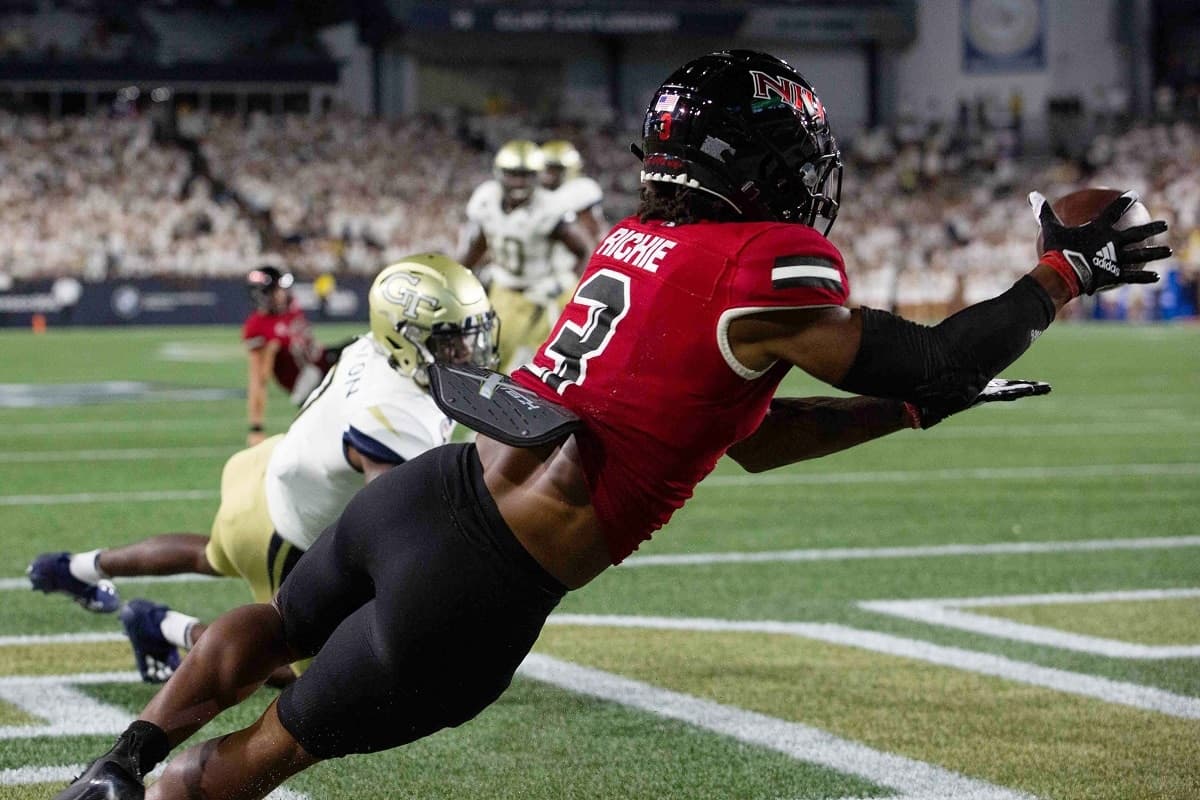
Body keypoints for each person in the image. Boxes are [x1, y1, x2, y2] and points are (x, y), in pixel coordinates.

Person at [55, 50, 1169, 800]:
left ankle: (122, 758)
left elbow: (750, 436)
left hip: (431, 492)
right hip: (483, 580)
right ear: (758, 162)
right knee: (263, 755)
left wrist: (906, 410)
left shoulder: (631, 240)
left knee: (275, 620)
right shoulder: (764, 263)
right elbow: (936, 352)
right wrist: (1061, 276)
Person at [29, 255, 499, 687]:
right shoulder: (391, 415)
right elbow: (391, 532)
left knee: (211, 556)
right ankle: (168, 627)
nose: (467, 349)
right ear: (406, 337)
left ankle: (73, 567)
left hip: (275, 471)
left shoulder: (372, 349)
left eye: (472, 333)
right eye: (451, 338)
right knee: (312, 676)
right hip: (285, 533)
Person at [459, 139, 595, 372]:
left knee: (555, 359)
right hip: (505, 289)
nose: (519, 182)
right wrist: (458, 274)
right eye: (512, 174)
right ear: (499, 173)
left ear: (538, 175)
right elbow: (479, 244)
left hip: (544, 291)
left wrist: (562, 282)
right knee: (491, 358)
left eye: (526, 175)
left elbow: (584, 250)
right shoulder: (486, 199)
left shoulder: (550, 207)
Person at [242, 265, 340, 446]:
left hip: (323, 363)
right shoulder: (257, 326)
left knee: (363, 345)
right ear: (264, 294)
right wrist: (256, 428)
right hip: (308, 383)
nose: (283, 293)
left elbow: (308, 341)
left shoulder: (291, 307)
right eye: (278, 290)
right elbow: (259, 381)